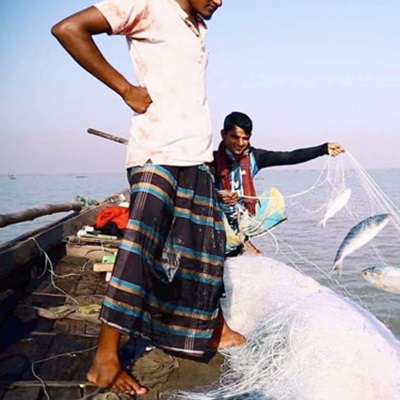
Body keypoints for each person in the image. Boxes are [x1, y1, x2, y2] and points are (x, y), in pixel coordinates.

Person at [51, 0, 238, 396]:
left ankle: (211, 331)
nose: (219, 2)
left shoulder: (195, 26)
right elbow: (68, 29)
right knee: (140, 251)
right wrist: (125, 89)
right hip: (159, 154)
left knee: (205, 254)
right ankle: (105, 358)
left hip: (195, 157)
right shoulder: (148, 4)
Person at [214, 111, 345, 255]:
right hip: (215, 221)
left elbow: (290, 156)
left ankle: (242, 239)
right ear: (223, 134)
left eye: (245, 138)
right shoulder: (210, 161)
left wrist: (323, 149)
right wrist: (217, 196)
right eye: (234, 137)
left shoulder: (254, 157)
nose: (240, 143)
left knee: (274, 198)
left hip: (241, 220)